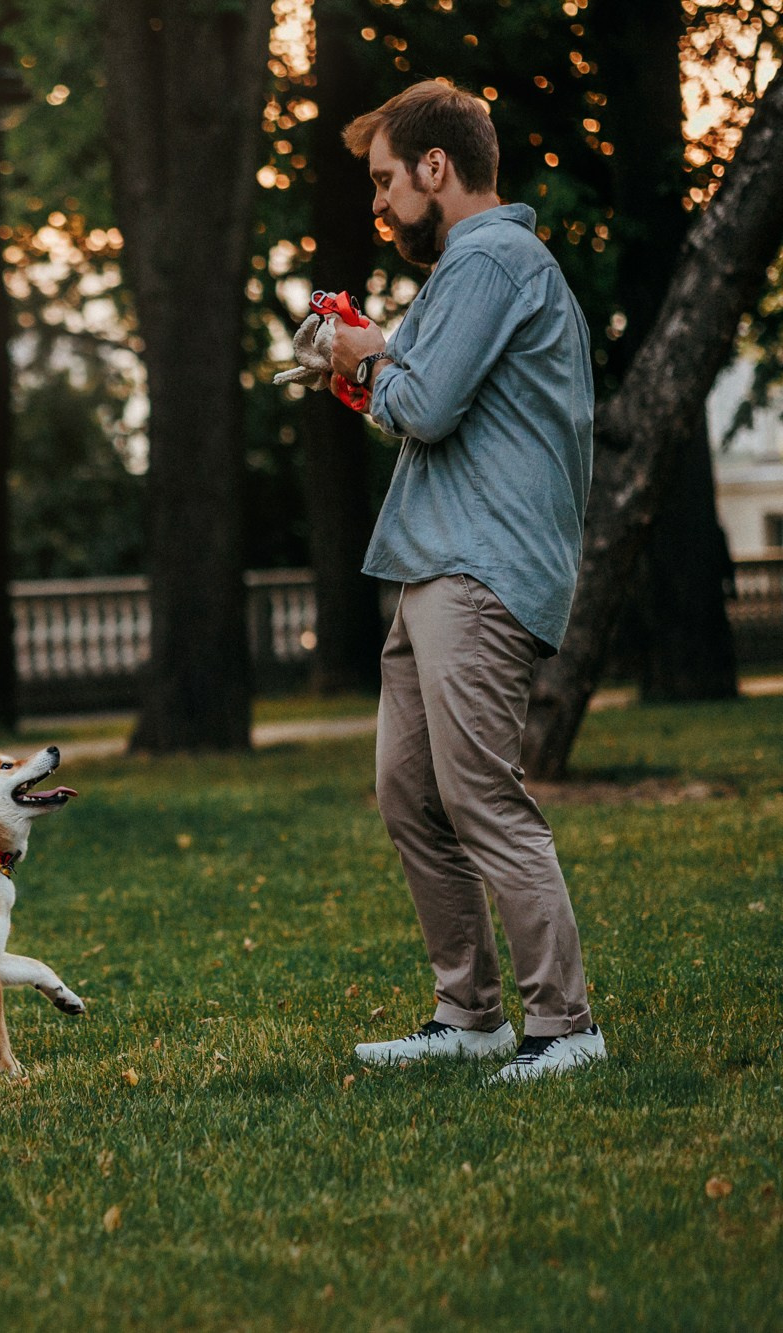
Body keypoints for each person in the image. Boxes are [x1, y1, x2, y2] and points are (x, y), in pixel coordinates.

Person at [325, 82, 605, 1082]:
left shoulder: (489, 257)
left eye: (385, 179)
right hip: (429, 563)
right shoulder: (470, 271)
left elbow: (427, 405)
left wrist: (370, 357)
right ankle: (467, 1012)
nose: (380, 203)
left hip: (477, 566)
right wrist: (374, 368)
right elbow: (420, 395)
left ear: (433, 168)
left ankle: (561, 1025)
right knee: (408, 796)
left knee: (480, 797)